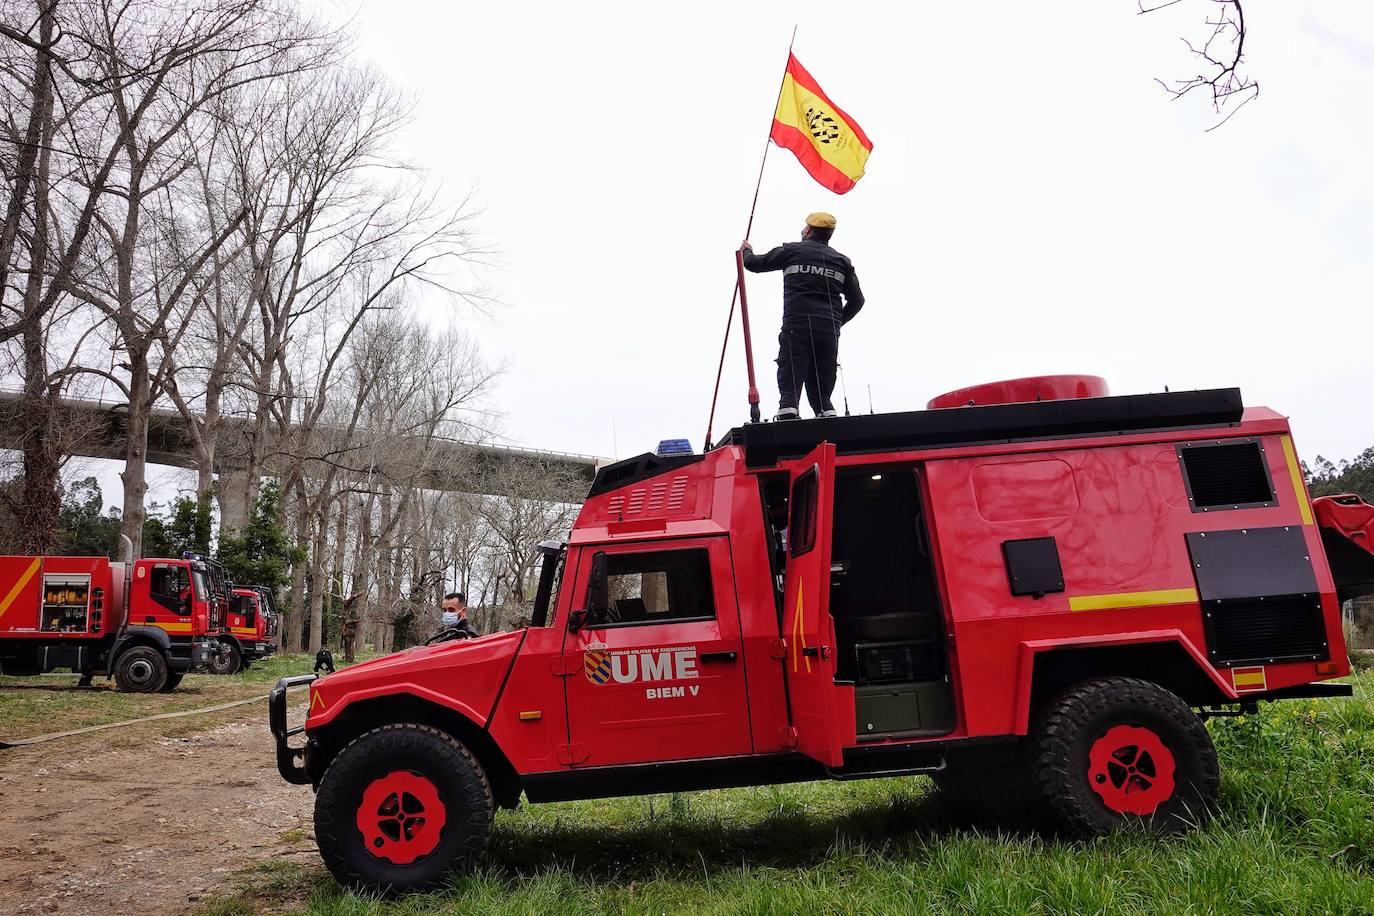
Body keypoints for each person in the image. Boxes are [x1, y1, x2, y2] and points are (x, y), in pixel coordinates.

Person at [741, 212, 865, 420]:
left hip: (796, 326)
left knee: (791, 367)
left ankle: (788, 410)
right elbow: (858, 300)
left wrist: (746, 252)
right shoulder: (842, 261)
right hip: (828, 331)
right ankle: (825, 412)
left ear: (808, 231)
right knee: (823, 376)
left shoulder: (792, 251)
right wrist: (836, 323)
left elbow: (754, 264)